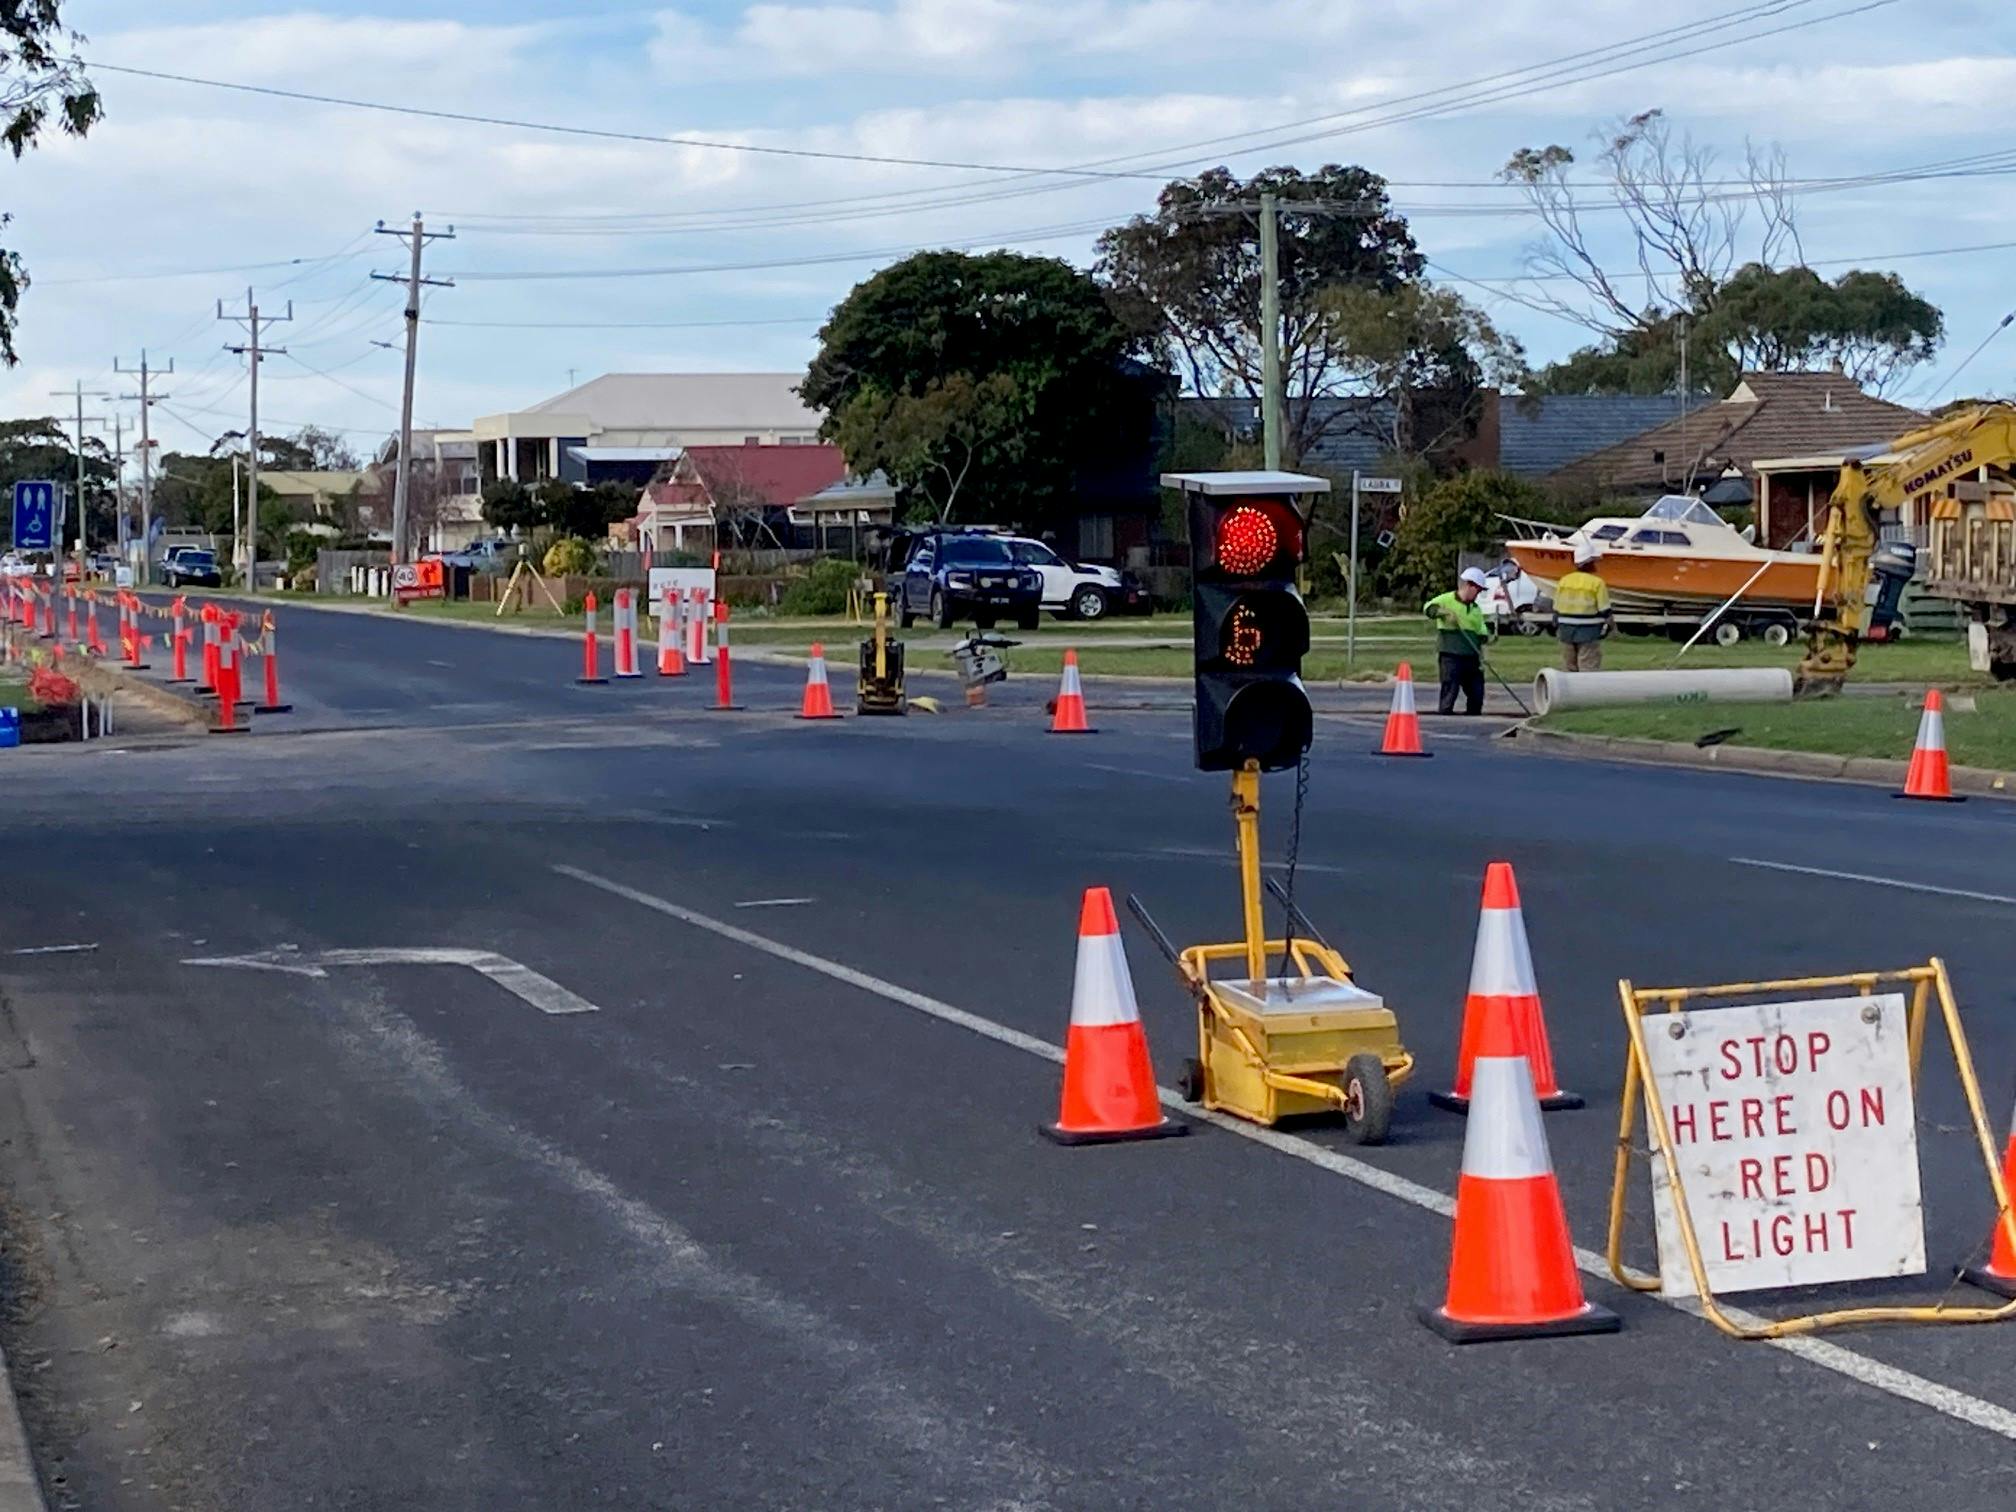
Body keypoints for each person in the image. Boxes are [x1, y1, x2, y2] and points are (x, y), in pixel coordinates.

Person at [1423, 567, 1493, 715]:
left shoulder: (1476, 609)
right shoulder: (1447, 599)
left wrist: (1484, 643)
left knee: (1476, 690)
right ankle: (1445, 713)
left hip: (1471, 655)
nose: (1478, 594)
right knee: (1450, 686)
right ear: (1469, 585)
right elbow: (1428, 608)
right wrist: (1445, 613)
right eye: (1477, 590)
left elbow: (1482, 631)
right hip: (1450, 653)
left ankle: (1473, 714)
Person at [1553, 541, 1613, 672]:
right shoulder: (1597, 583)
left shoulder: (1564, 581)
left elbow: (1556, 609)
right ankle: (1585, 692)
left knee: (1568, 667)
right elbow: (1605, 610)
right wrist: (1609, 627)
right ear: (1590, 562)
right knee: (1588, 666)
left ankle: (1568, 692)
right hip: (1589, 631)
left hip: (1566, 631)